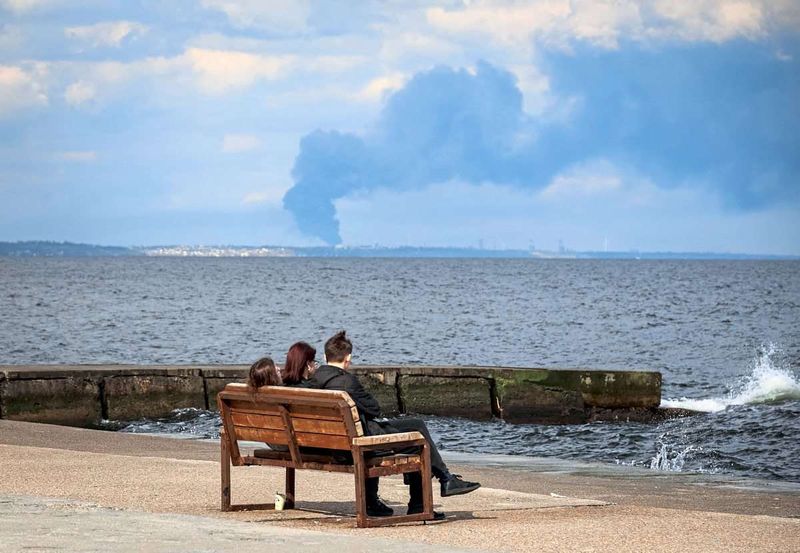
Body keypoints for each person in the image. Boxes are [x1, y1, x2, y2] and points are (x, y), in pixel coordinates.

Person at [303, 331, 481, 520]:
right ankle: (430, 494)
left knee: (414, 430)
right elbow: (374, 409)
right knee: (418, 433)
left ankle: (383, 500)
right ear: (348, 358)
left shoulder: (314, 380)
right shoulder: (347, 382)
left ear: (325, 357)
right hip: (356, 445)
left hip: (332, 445)